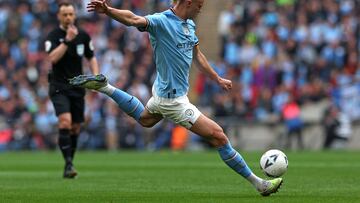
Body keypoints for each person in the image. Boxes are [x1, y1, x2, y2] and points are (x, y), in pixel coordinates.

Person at [70, 0, 282, 195]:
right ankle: (259, 184)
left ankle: (105, 87)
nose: (201, 8)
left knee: (145, 119)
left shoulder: (189, 24)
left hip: (162, 93)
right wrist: (108, 10)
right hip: (173, 101)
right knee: (219, 136)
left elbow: (197, 55)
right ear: (188, 3)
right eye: (199, 5)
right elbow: (134, 19)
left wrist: (216, 78)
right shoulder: (161, 21)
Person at [45, 2, 99, 178]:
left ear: (75, 16)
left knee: (76, 128)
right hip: (59, 86)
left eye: (70, 14)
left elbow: (91, 57)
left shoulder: (83, 36)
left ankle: (69, 163)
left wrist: (96, 76)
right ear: (59, 16)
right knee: (65, 122)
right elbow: (52, 58)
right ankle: (68, 164)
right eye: (64, 14)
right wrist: (67, 40)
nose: (68, 17)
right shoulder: (53, 36)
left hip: (78, 87)